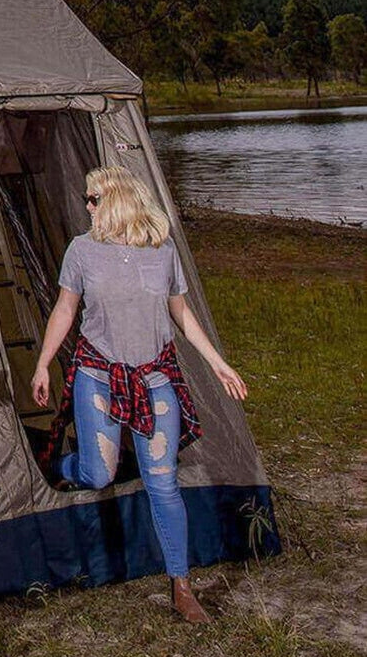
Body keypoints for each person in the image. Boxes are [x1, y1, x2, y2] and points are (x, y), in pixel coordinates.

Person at [32, 166, 247, 624]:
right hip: (98, 374)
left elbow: (182, 315)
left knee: (163, 483)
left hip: (154, 378)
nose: (86, 206)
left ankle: (182, 587)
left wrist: (218, 362)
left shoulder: (161, 252)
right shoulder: (82, 251)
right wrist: (42, 363)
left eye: (92, 199)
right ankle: (59, 466)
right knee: (98, 472)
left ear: (114, 201)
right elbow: (65, 310)